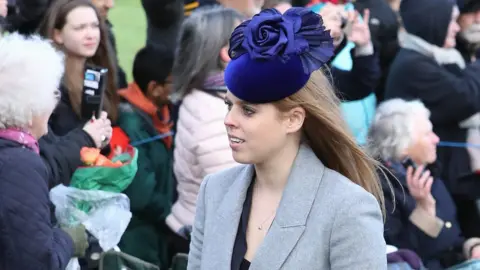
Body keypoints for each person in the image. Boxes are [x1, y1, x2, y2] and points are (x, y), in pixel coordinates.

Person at [187, 8, 386, 269]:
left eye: (248, 110)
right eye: (229, 106)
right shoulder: (214, 191)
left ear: (293, 119)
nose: (229, 120)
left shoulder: (348, 209)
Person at [384, 0, 480, 237]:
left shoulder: (441, 56)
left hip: (449, 173)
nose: (457, 28)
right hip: (435, 178)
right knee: (453, 238)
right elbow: (466, 97)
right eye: (451, 21)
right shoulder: (413, 66)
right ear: (433, 23)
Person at [0, 33, 89, 270]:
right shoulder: (20, 164)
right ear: (30, 108)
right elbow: (38, 262)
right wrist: (69, 238)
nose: (55, 103)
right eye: (52, 94)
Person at [368, 98, 480, 269]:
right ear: (404, 145)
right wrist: (424, 210)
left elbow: (452, 239)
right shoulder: (381, 189)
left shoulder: (430, 174)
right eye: (428, 134)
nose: (436, 139)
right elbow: (403, 256)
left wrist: (471, 247)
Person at [167, 6, 243, 250]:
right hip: (208, 238)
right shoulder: (213, 112)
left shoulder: (209, 97)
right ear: (227, 54)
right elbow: (235, 189)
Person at [116, 45, 175, 268]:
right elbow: (141, 193)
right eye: (172, 82)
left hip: (151, 231)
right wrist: (171, 212)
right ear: (154, 88)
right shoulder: (131, 124)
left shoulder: (155, 116)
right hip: (137, 236)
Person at [38, 0, 118, 137]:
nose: (91, 35)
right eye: (80, 28)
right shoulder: (47, 83)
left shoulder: (98, 72)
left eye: (94, 26)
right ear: (58, 35)